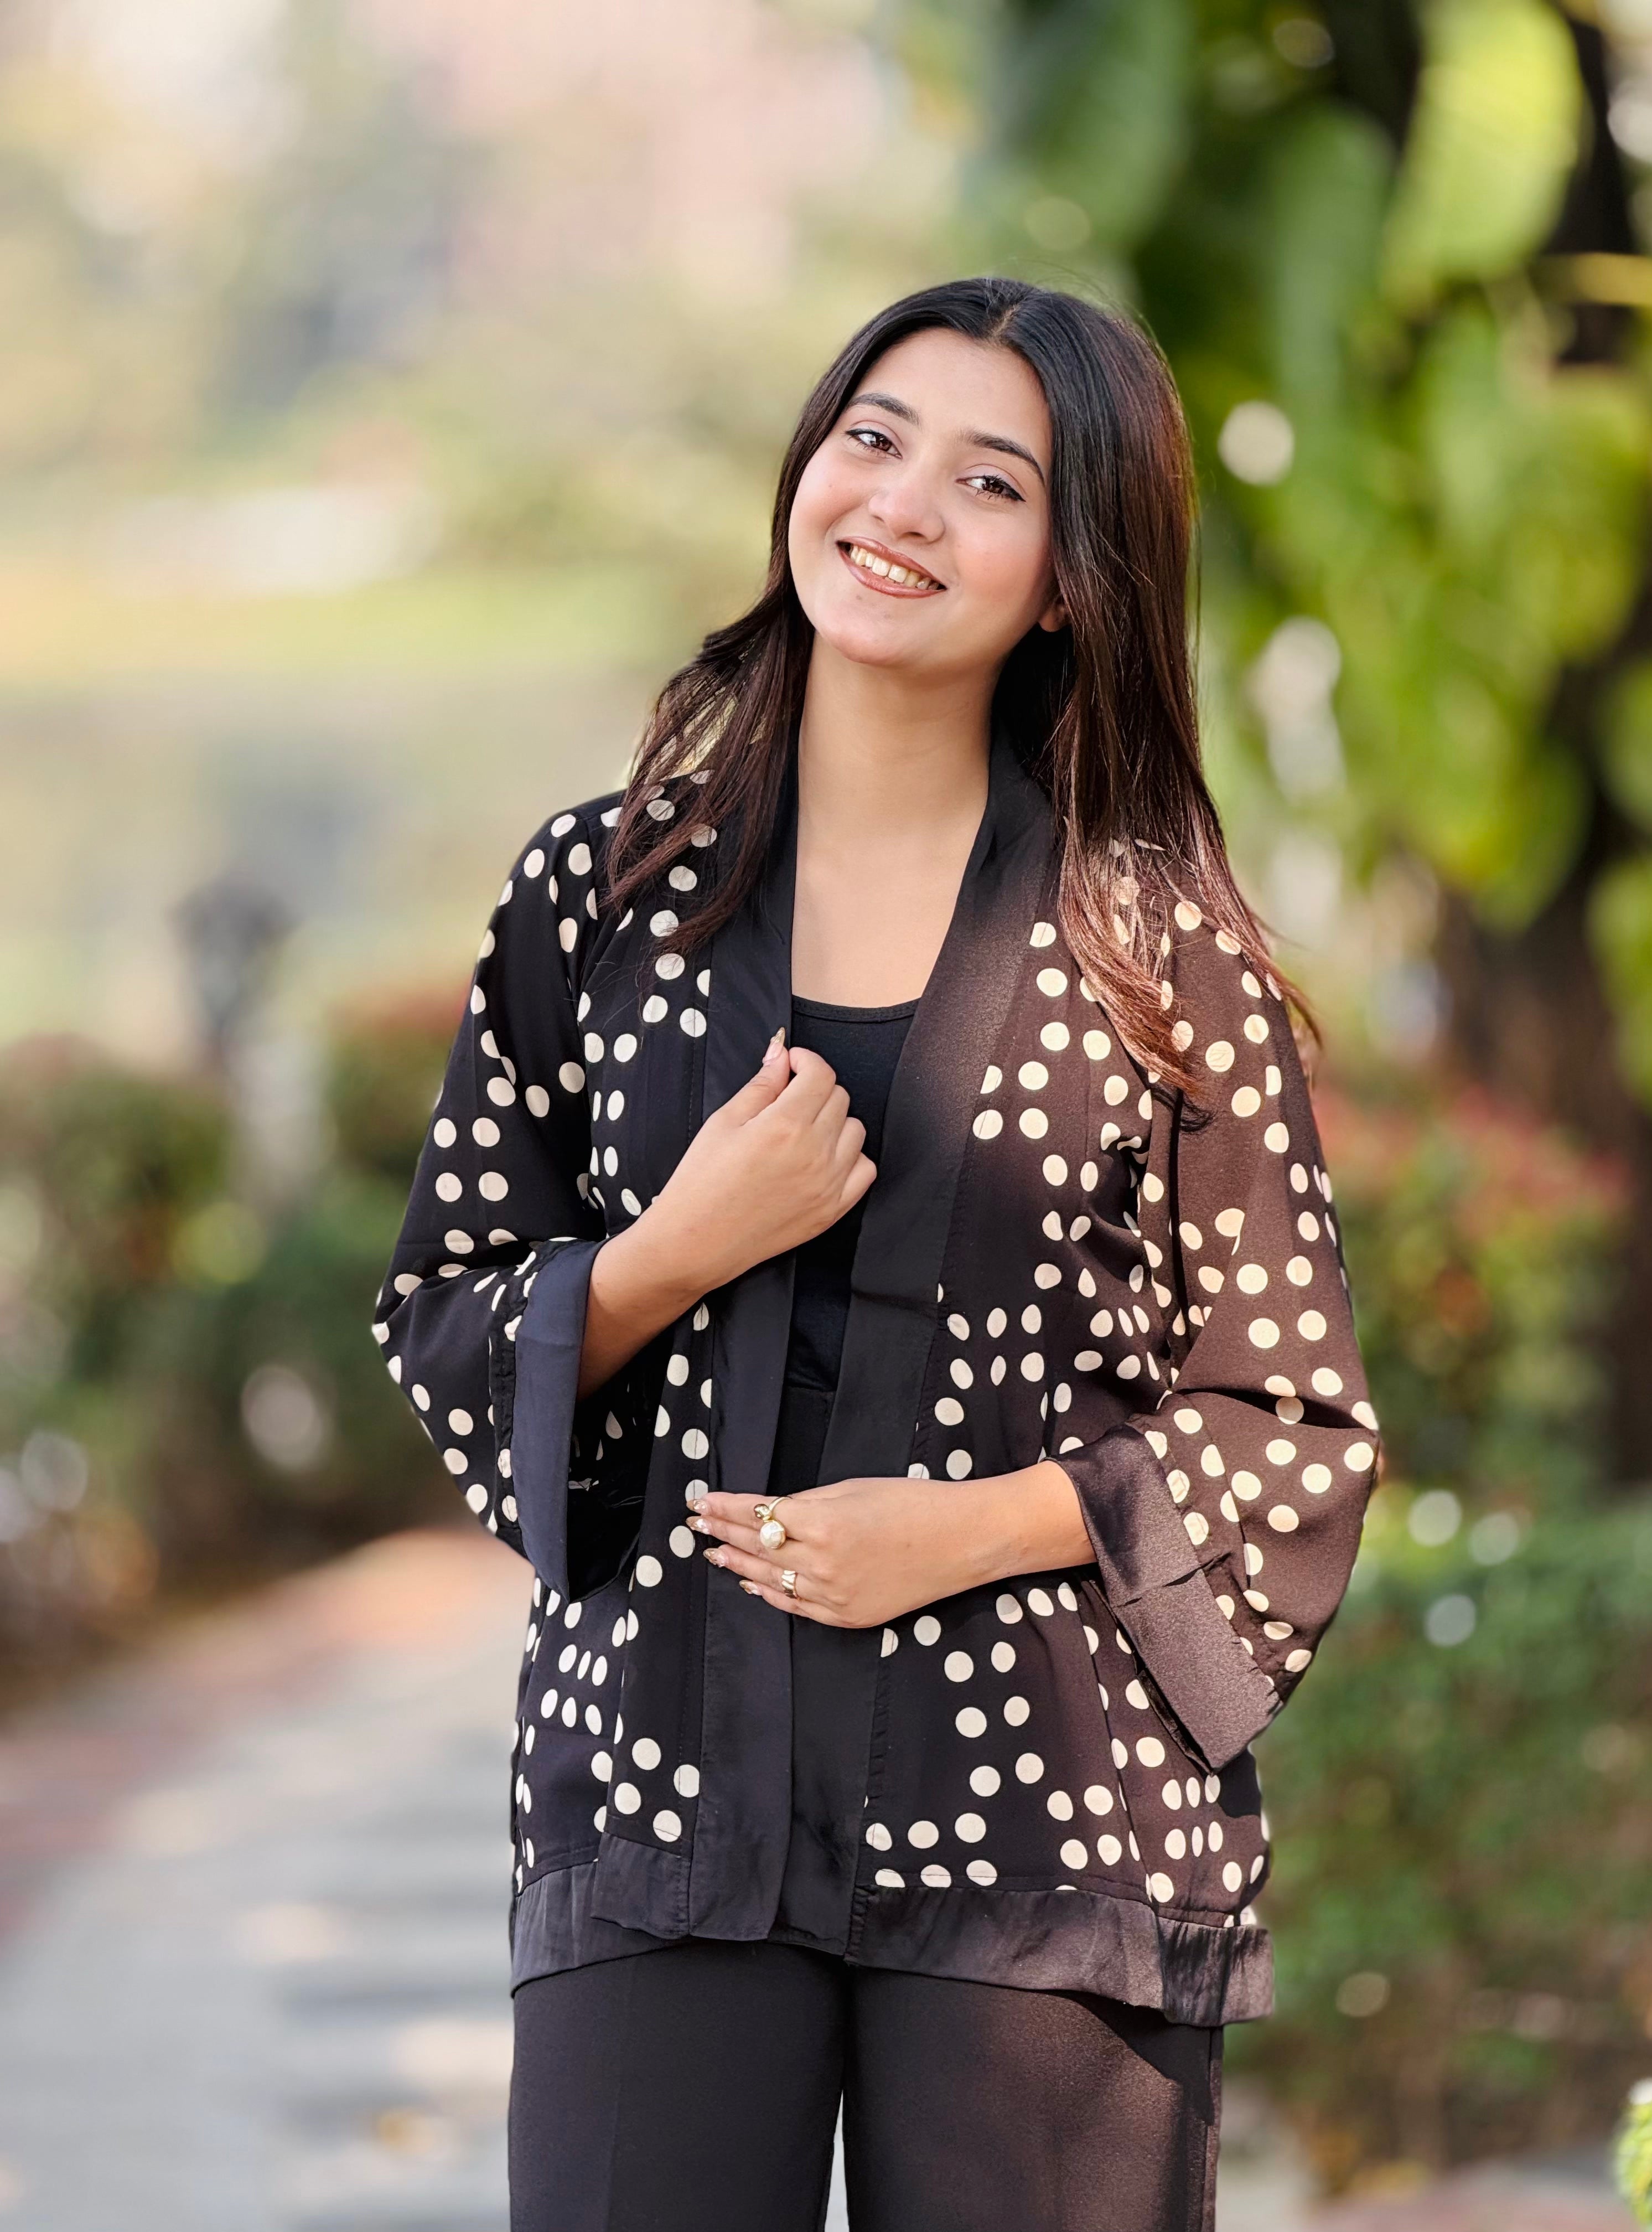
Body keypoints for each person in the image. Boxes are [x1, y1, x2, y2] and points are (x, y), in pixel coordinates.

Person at [374, 275, 1381, 2232]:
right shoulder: (596, 896)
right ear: (806, 472)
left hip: (1048, 1822)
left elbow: (1292, 1423)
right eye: (873, 439)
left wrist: (980, 1525)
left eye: (990, 480)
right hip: (662, 1781)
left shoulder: (1162, 954)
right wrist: (673, 1251)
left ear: (1075, 576)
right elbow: (439, 1314)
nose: (903, 505)